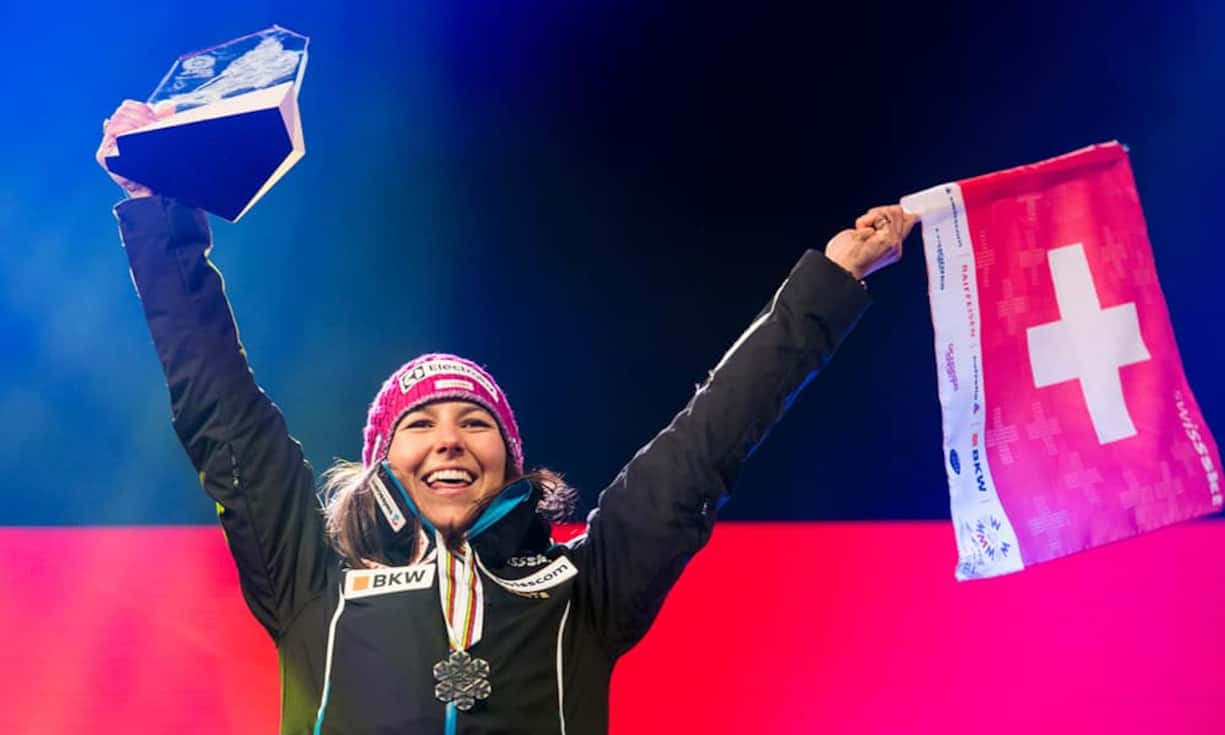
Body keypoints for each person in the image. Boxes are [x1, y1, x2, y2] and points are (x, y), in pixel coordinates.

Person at [97, 99, 916, 735]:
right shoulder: (316, 584)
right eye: (418, 424)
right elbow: (221, 411)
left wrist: (831, 283)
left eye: (473, 421)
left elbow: (705, 443)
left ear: (512, 461)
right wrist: (158, 212)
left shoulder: (584, 589)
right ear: (382, 459)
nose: (448, 437)